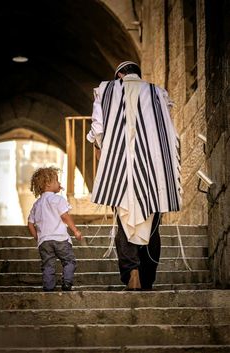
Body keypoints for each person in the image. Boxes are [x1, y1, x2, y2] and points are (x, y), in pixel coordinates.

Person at [87, 61, 182, 290]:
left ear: (120, 74)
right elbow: (169, 131)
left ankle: (132, 272)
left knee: (124, 221)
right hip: (154, 169)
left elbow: (98, 129)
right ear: (138, 74)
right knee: (153, 226)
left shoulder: (106, 89)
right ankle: (148, 278)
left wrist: (102, 148)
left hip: (120, 168)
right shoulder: (157, 92)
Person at [28, 166, 82, 292]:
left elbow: (30, 224)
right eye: (57, 181)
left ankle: (48, 287)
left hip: (44, 241)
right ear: (48, 183)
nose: (60, 184)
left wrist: (38, 237)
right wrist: (75, 231)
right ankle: (67, 283)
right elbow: (65, 216)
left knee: (48, 265)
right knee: (69, 261)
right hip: (60, 239)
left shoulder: (36, 204)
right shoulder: (58, 199)